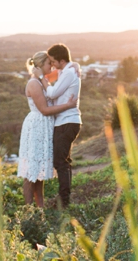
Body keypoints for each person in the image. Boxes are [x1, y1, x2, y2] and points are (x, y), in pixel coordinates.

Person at [18, 51, 77, 206]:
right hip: (37, 126)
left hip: (45, 126)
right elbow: (44, 110)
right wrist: (68, 106)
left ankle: (40, 208)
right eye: (48, 63)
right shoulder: (33, 83)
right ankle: (29, 210)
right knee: (31, 171)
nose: (51, 65)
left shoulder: (42, 81)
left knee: (39, 172)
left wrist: (75, 65)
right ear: (39, 65)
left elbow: (63, 72)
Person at [43, 43, 82, 206]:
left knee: (60, 162)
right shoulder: (66, 70)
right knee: (62, 160)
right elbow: (54, 74)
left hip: (67, 122)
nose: (52, 65)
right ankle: (64, 197)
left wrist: (40, 79)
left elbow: (52, 94)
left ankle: (64, 201)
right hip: (65, 122)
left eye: (53, 61)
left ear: (61, 60)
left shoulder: (69, 74)